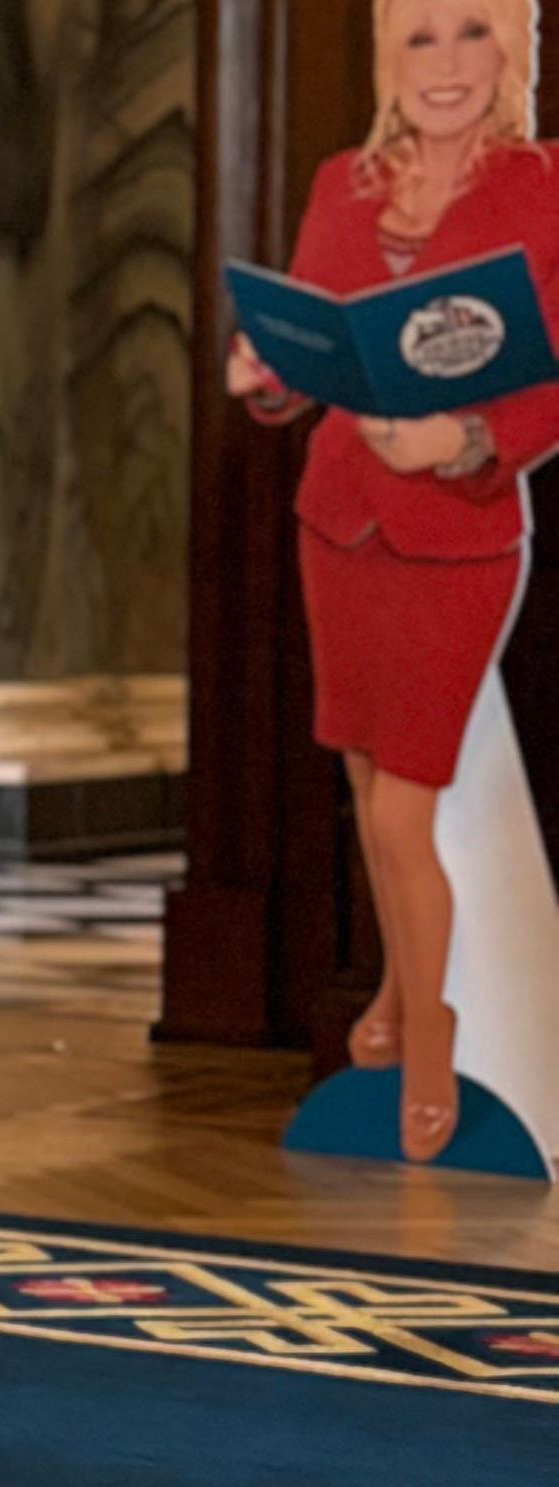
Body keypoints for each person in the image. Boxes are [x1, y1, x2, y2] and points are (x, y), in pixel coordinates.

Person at [226, 0, 559, 1159]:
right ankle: (394, 986)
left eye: (474, 33)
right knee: (368, 786)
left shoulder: (542, 187)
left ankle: (429, 1031)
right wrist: (268, 376)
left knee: (407, 801)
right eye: (421, 37)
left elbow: (547, 384)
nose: (447, 65)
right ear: (387, 60)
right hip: (340, 525)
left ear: (511, 52)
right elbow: (318, 355)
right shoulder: (343, 184)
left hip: (459, 537)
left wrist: (461, 441)